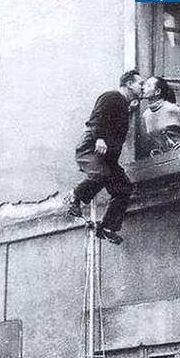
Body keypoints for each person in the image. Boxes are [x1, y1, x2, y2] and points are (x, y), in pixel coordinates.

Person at [67, 69, 144, 243]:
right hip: (91, 148)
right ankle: (73, 196)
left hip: (107, 158)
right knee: (100, 174)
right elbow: (97, 118)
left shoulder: (123, 104)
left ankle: (108, 226)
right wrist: (99, 138)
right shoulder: (111, 96)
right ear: (129, 84)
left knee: (123, 187)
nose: (142, 87)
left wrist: (129, 109)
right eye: (140, 83)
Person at [142, 76, 180, 156]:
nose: (143, 88)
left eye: (148, 86)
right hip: (164, 157)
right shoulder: (146, 115)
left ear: (157, 92)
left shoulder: (171, 109)